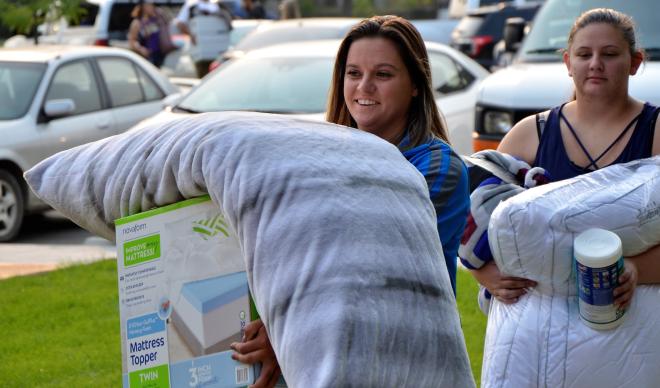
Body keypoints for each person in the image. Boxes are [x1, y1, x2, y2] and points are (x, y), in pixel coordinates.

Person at [231, 15, 471, 388]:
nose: (364, 87)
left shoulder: (439, 171)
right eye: (353, 73)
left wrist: (285, 330)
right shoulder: (318, 160)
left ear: (414, 85)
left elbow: (369, 268)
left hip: (406, 360)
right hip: (329, 351)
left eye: (384, 74)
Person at [471, 8, 660, 309]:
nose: (596, 64)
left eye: (609, 54)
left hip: (635, 326)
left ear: (635, 62)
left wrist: (638, 268)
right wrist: (484, 273)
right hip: (542, 326)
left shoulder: (655, 131)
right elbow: (471, 214)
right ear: (568, 63)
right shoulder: (530, 134)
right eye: (584, 55)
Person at [176, 0, 233, 77]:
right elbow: (180, 23)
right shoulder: (192, 5)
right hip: (201, 52)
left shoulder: (217, 5)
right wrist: (192, 35)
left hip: (218, 51)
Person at [128, 0, 172, 68]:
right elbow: (132, 41)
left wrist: (160, 14)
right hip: (147, 57)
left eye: (152, 4)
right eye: (149, 5)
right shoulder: (137, 23)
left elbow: (167, 24)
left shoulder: (156, 19)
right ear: (143, 7)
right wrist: (141, 49)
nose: (152, 7)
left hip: (159, 54)